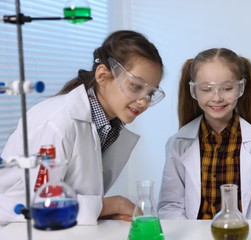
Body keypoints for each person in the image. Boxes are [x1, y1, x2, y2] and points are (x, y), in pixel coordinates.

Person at [0, 30, 165, 225]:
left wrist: (98, 211)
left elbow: (76, 192)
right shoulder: (57, 123)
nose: (143, 102)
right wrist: (112, 205)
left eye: (150, 94)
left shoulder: (109, 127)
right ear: (103, 75)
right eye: (136, 87)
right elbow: (33, 204)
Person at [158, 48, 251, 220]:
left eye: (227, 88)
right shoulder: (178, 144)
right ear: (193, 90)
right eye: (206, 89)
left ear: (241, 87)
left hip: (243, 239)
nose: (216, 98)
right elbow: (171, 205)